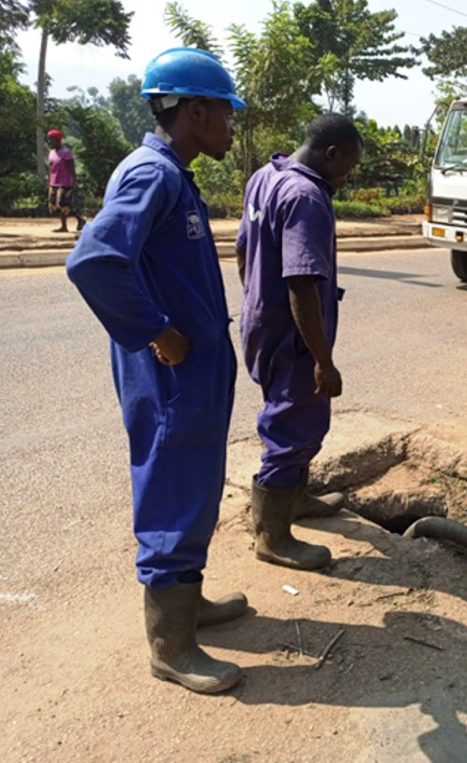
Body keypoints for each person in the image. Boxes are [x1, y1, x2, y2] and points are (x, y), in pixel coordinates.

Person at [65, 47, 247, 694]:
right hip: (171, 376)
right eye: (227, 112)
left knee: (194, 483)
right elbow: (93, 261)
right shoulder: (153, 175)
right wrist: (156, 332)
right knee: (172, 490)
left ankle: (188, 604)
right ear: (195, 110)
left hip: (192, 372)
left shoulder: (173, 172)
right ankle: (171, 645)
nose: (232, 125)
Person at [236, 114, 363, 570]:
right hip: (293, 337)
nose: (349, 177)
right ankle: (273, 537)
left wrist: (255, 298)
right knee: (293, 428)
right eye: (349, 166)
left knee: (292, 416)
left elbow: (242, 249)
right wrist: (322, 360)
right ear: (330, 154)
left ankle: (297, 498)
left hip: (262, 324)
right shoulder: (306, 196)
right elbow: (301, 284)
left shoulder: (265, 177)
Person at [46, 129, 87, 233]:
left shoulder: (66, 153)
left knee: (64, 204)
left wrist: (74, 182)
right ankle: (65, 225)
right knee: (55, 205)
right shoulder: (51, 153)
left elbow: (71, 169)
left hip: (65, 182)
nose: (50, 142)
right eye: (48, 140)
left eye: (51, 140)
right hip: (54, 181)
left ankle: (79, 219)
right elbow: (51, 168)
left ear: (58, 140)